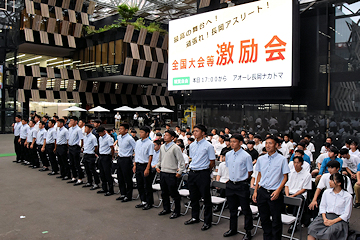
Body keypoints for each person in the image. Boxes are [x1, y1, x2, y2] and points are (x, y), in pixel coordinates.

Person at [252, 135, 290, 240]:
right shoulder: (261, 159)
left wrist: (278, 191)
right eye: (266, 143)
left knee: (276, 220)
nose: (267, 145)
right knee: (264, 218)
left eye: (270, 143)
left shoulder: (282, 159)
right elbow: (259, 175)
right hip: (262, 191)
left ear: (277, 145)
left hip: (275, 192)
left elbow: (285, 177)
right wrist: (256, 191)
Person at [184, 124, 216, 231]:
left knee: (206, 198)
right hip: (192, 172)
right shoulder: (192, 145)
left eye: (197, 131)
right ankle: (195, 217)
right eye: (194, 131)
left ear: (203, 133)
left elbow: (212, 162)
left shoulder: (208, 146)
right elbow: (193, 158)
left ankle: (207, 221)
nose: (194, 133)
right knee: (193, 197)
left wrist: (206, 171)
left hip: (203, 173)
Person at [223, 134, 253, 239]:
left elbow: (250, 171)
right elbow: (229, 168)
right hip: (231, 184)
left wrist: (242, 178)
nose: (231, 143)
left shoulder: (246, 156)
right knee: (232, 209)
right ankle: (233, 229)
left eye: (234, 141)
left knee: (245, 209)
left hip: (242, 185)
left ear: (240, 143)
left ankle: (248, 231)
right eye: (230, 141)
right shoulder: (228, 154)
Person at [307, 173, 353, 240]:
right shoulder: (326, 192)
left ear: (339, 183)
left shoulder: (348, 196)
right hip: (325, 216)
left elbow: (346, 214)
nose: (329, 182)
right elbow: (322, 207)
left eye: (332, 180)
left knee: (329, 233)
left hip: (339, 220)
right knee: (312, 229)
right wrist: (325, 219)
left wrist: (332, 221)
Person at [156, 130, 185, 219]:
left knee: (174, 193)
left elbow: (181, 162)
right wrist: (158, 166)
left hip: (172, 173)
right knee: (164, 192)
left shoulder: (175, 147)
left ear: (172, 137)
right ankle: (166, 208)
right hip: (163, 172)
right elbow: (160, 159)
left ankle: (177, 211)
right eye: (164, 135)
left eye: (167, 135)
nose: (165, 137)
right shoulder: (162, 147)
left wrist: (179, 172)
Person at [285, 156, 312, 233]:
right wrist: (287, 195)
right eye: (294, 162)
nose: (296, 164)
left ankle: (294, 222)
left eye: (298, 162)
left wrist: (292, 196)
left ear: (302, 163)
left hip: (299, 194)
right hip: (290, 192)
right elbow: (286, 185)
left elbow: (304, 189)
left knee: (297, 199)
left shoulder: (307, 175)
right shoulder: (290, 173)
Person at [133, 126, 155, 210]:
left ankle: (149, 202)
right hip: (138, 164)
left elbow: (150, 156)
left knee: (147, 185)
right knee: (140, 184)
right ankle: (143, 201)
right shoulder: (138, 142)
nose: (140, 133)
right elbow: (136, 154)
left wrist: (147, 168)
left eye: (142, 132)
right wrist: (134, 165)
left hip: (145, 165)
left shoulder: (150, 143)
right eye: (140, 132)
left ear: (147, 133)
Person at [116, 123, 136, 202]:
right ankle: (123, 193)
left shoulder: (130, 139)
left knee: (127, 178)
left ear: (126, 130)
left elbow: (135, 148)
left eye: (121, 129)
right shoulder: (119, 137)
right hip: (120, 158)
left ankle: (128, 195)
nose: (119, 130)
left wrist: (134, 160)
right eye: (119, 128)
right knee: (120, 177)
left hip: (127, 159)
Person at [96, 126, 115, 196]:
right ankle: (104, 188)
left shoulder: (109, 138)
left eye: (100, 133)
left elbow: (112, 148)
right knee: (102, 173)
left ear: (104, 131)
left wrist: (111, 156)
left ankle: (110, 189)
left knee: (107, 173)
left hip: (106, 156)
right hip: (101, 156)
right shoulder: (100, 138)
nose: (99, 134)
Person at [82, 124, 100, 190]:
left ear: (90, 129)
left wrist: (93, 152)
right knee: (87, 169)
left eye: (86, 128)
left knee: (92, 169)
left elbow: (96, 146)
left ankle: (96, 183)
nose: (85, 129)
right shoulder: (85, 136)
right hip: (85, 154)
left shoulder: (93, 137)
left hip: (91, 154)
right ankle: (89, 181)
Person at [67, 116, 84, 185]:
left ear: (75, 121)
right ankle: (74, 177)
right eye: (70, 120)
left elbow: (81, 139)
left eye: (72, 120)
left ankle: (80, 178)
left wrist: (80, 147)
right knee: (71, 163)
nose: (70, 122)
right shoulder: (70, 129)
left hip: (75, 147)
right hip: (70, 147)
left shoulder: (78, 130)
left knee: (77, 163)